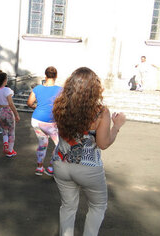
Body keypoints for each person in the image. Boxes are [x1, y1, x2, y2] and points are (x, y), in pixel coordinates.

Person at [52, 67, 126, 236]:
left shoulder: (59, 106)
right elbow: (103, 143)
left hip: (61, 163)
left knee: (68, 207)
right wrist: (117, 126)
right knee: (98, 206)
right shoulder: (100, 112)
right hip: (88, 167)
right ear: (95, 88)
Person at [27, 66, 62, 176]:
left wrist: (36, 107)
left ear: (45, 76)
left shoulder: (37, 88)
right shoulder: (60, 90)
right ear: (56, 76)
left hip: (37, 120)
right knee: (59, 145)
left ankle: (39, 167)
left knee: (43, 143)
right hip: (51, 122)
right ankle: (51, 167)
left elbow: (29, 103)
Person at [0, 70, 20, 157]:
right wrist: (16, 114)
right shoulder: (7, 90)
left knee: (4, 128)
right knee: (11, 131)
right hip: (6, 111)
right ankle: (10, 151)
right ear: (4, 80)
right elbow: (11, 103)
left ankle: (5, 143)